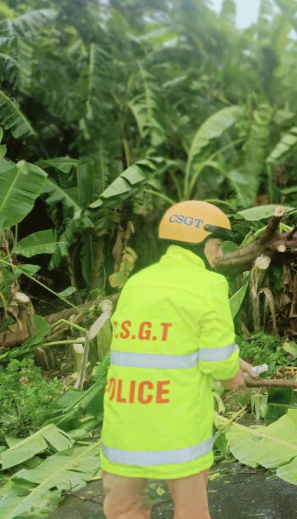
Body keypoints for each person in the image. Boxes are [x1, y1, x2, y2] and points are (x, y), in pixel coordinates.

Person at [100, 200, 257, 519]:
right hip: (177, 428)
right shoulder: (208, 284)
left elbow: (158, 343)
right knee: (191, 511)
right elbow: (216, 360)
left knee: (124, 509)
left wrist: (228, 361)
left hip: (124, 427)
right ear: (200, 243)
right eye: (217, 244)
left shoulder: (137, 282)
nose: (220, 253)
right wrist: (231, 373)